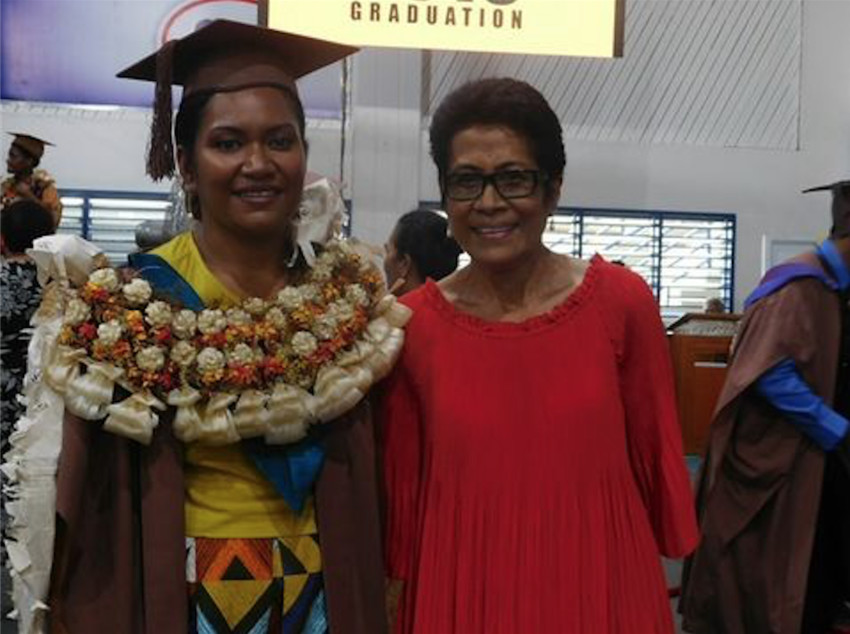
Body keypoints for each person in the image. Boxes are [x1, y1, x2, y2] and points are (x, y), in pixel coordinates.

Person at [6, 20, 411, 634]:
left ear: (304, 157)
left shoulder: (346, 295)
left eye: (280, 140)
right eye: (227, 143)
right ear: (188, 168)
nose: (258, 163)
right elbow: (88, 496)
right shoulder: (130, 305)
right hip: (180, 587)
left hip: (326, 588)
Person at [379, 77, 698, 634]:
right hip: (461, 583)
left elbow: (655, 446)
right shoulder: (414, 325)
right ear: (447, 198)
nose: (489, 204)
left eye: (514, 179)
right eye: (467, 182)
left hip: (600, 582)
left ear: (552, 189)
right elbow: (402, 486)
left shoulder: (621, 301)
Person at [680, 181, 850, 633]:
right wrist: (833, 427)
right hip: (774, 460)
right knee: (764, 575)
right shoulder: (799, 285)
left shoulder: (833, 286)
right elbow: (769, 371)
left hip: (810, 460)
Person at [383, 208, 462, 295]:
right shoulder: (459, 306)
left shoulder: (401, 307)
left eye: (388, 251)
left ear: (404, 263)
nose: (385, 260)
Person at [1, 133, 63, 227]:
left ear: (29, 161)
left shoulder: (45, 188)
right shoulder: (6, 186)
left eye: (13, 156)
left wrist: (29, 196)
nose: (8, 160)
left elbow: (52, 222)